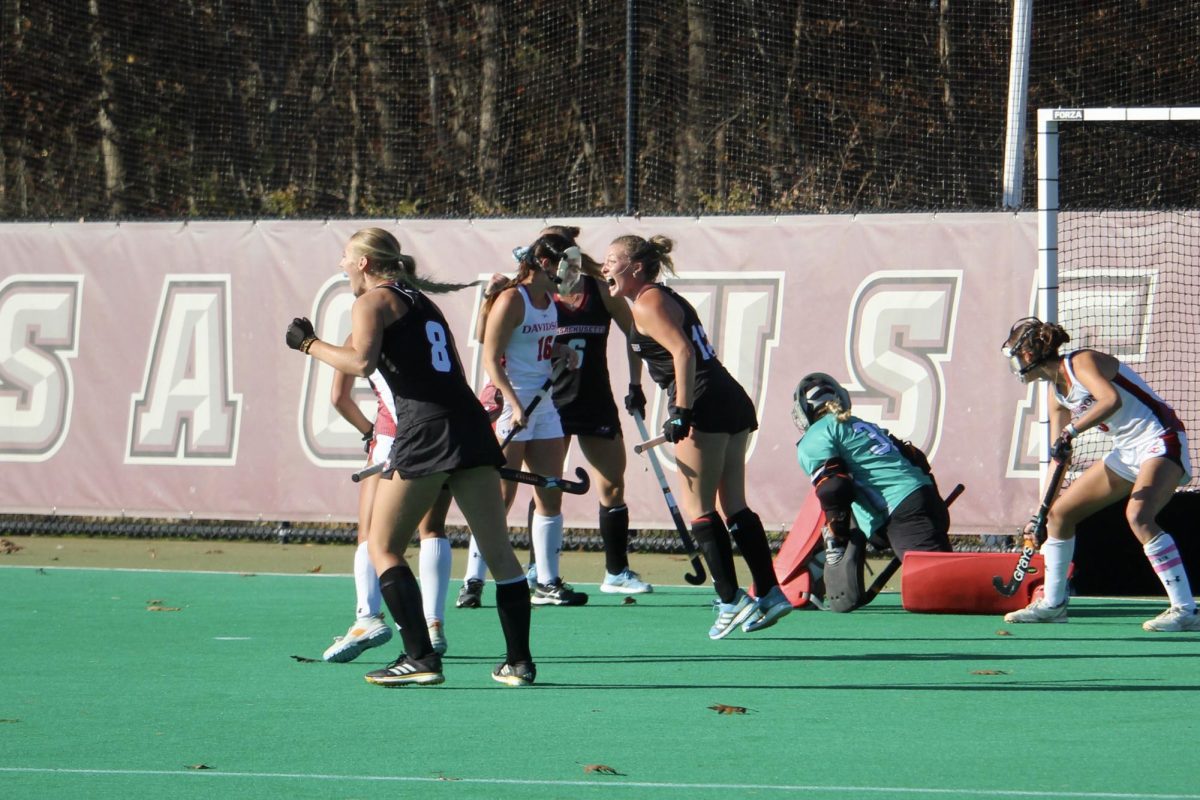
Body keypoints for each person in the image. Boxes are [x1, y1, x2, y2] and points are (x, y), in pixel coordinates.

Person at [286, 226, 536, 687]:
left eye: (345, 257)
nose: (341, 265)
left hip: (427, 431)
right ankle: (518, 663)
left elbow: (361, 363)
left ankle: (419, 657)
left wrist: (309, 344)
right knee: (500, 553)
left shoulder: (372, 301)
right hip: (469, 425)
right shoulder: (423, 301)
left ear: (363, 262)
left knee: (382, 546)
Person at [601, 233, 791, 638]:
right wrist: (641, 389)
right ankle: (770, 591)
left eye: (612, 260)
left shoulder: (648, 302)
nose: (604, 268)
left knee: (698, 508)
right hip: (729, 397)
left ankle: (729, 599)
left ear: (635, 267)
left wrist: (681, 411)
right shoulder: (657, 297)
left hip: (703, 400)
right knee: (734, 504)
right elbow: (661, 350)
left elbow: (683, 353)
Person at [999, 316, 1199, 631]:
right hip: (1127, 451)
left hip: (1159, 438)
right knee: (1059, 515)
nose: (1015, 360)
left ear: (1030, 353)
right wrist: (1040, 510)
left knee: (1139, 515)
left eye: (1016, 351)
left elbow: (1111, 399)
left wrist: (1072, 430)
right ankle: (1053, 604)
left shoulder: (1082, 362)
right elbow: (1059, 456)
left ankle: (1185, 609)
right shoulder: (1055, 394)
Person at [456, 232, 588, 608]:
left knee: (550, 491)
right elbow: (490, 358)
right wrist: (513, 405)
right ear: (545, 263)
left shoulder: (549, 300)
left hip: (543, 406)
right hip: (511, 405)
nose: (572, 271)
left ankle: (546, 582)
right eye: (566, 263)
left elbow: (534, 345)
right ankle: (473, 581)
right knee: (499, 497)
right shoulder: (514, 299)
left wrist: (559, 350)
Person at [543, 224, 651, 594]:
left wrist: (637, 384)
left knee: (612, 483)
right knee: (548, 486)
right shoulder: (534, 296)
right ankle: (541, 570)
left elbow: (635, 334)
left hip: (593, 399)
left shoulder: (599, 290)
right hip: (549, 404)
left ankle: (616, 572)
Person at [322, 357, 453, 661]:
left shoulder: (366, 325)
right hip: (444, 430)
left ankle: (367, 617)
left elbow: (339, 397)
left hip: (396, 435)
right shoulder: (429, 320)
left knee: (370, 533)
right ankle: (433, 624)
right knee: (432, 527)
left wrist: (311, 345)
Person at [792, 372, 952, 612]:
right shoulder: (862, 424)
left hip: (899, 509)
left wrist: (837, 540)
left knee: (944, 592)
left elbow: (834, 489)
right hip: (924, 497)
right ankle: (818, 576)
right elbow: (916, 459)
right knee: (851, 508)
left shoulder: (815, 435)